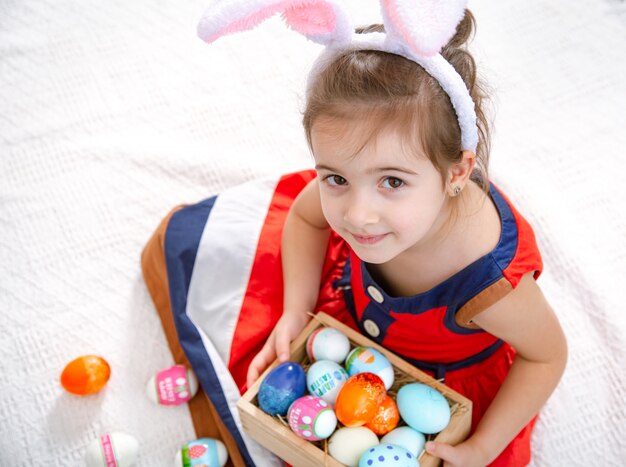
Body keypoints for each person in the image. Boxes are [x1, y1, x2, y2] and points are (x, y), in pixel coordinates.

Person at [143, 3, 567, 467]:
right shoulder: (374, 212)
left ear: (456, 172)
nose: (359, 215)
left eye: (392, 181)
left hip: (440, 373)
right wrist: (293, 311)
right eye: (336, 178)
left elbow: (546, 357)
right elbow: (306, 218)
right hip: (349, 317)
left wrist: (483, 446)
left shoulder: (490, 284)